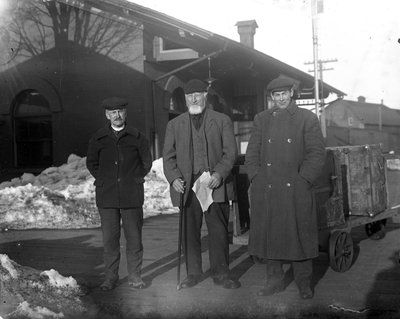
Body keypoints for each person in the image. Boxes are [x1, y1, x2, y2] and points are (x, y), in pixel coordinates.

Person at [244, 76, 326, 299]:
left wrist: (304, 179)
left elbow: (317, 153)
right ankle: (274, 282)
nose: (280, 99)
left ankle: (303, 284)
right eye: (275, 95)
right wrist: (255, 177)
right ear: (271, 97)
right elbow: (252, 152)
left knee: (298, 236)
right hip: (268, 187)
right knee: (271, 237)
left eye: (284, 94)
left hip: (296, 188)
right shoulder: (262, 119)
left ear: (292, 93)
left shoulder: (306, 118)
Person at [163, 79, 240, 290]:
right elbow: (168, 157)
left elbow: (230, 153)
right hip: (187, 188)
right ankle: (193, 273)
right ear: (185, 99)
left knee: (218, 232)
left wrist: (219, 173)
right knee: (190, 233)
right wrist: (174, 178)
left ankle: (222, 274)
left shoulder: (222, 120)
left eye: (197, 94)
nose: (194, 99)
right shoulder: (174, 124)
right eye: (189, 96)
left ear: (205, 95)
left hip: (214, 185)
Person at [86, 97, 152, 291]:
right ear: (107, 115)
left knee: (134, 239)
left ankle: (135, 276)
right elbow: (92, 163)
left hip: (132, 195)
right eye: (113, 112)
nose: (117, 115)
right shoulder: (98, 138)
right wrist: (106, 180)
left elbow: (146, 163)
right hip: (107, 197)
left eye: (120, 111)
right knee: (110, 241)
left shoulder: (137, 137)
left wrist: (134, 178)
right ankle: (110, 278)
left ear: (125, 113)